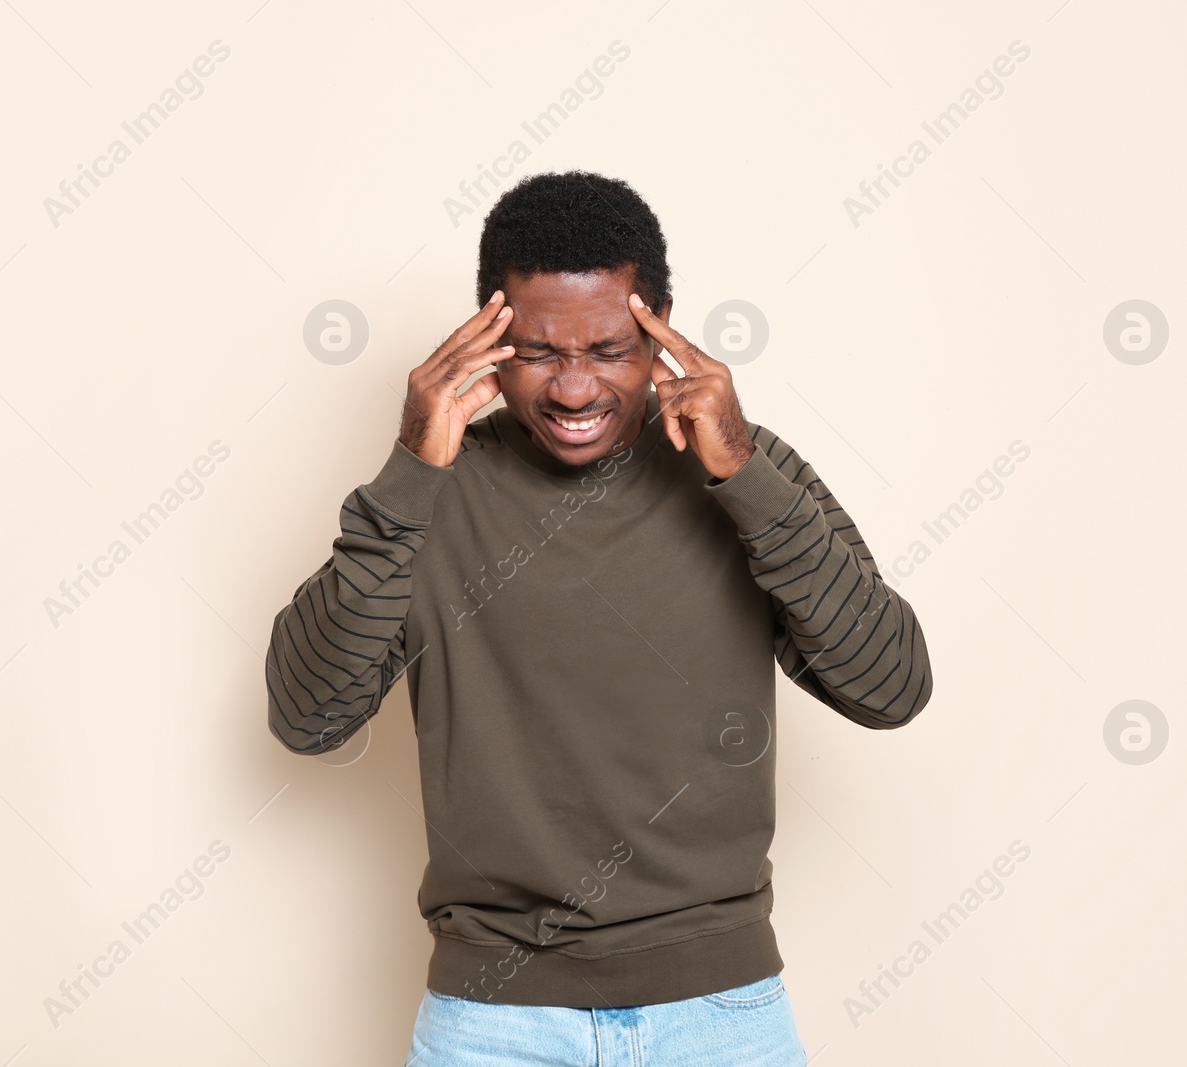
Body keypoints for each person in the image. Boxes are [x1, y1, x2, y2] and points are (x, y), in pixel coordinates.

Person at [265, 171, 933, 1066]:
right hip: (493, 1022)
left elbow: (891, 688)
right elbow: (308, 718)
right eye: (538, 352)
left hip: (719, 1012)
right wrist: (407, 478)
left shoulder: (741, 465)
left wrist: (744, 477)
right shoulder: (432, 493)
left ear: (662, 329)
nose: (574, 390)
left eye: (610, 348)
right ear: (486, 338)